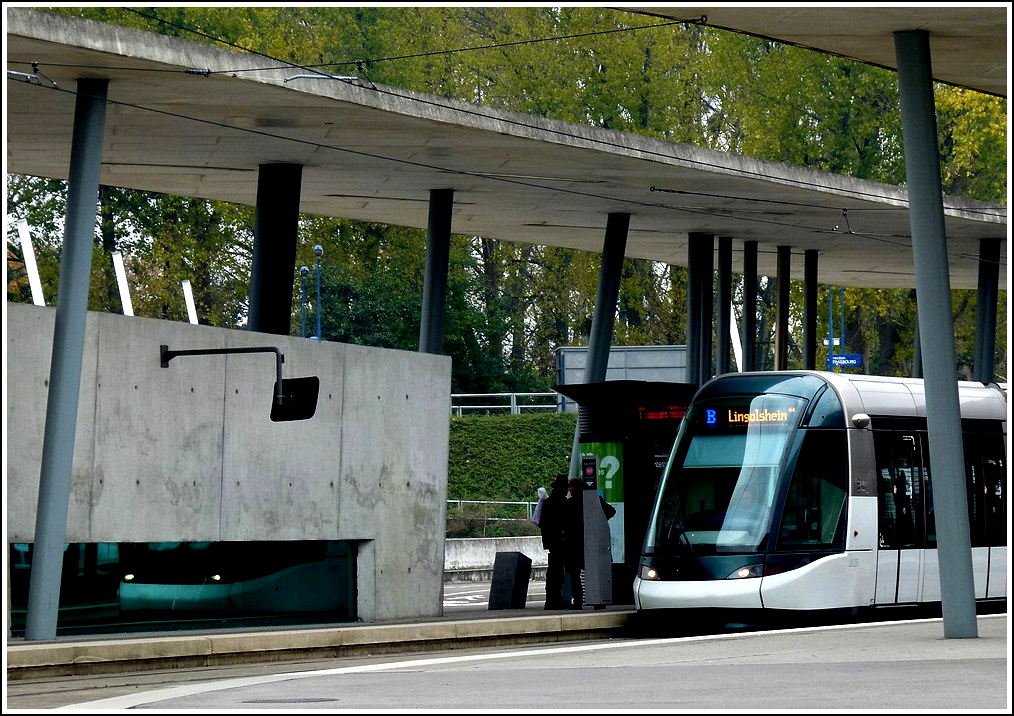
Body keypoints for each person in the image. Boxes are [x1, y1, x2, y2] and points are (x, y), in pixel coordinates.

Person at [538, 474, 570, 609]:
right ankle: (554, 599)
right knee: (557, 573)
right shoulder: (561, 502)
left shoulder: (548, 502)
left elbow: (543, 523)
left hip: (552, 542)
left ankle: (552, 599)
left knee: (553, 571)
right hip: (559, 542)